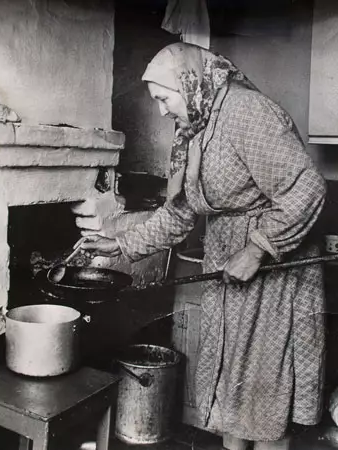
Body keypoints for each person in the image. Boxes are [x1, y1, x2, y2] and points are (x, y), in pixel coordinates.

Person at [78, 43, 326, 450]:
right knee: (232, 382)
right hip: (229, 262)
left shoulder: (248, 112)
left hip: (275, 272)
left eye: (163, 97)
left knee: (263, 397)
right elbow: (180, 214)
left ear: (189, 83)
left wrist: (258, 248)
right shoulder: (195, 127)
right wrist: (119, 245)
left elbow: (308, 190)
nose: (160, 111)